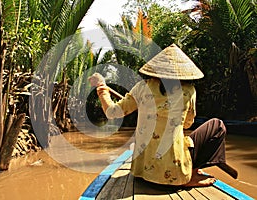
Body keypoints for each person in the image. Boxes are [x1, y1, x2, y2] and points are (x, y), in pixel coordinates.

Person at [88, 43, 237, 187]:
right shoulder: (189, 91)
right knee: (217, 125)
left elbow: (112, 112)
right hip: (175, 175)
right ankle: (189, 173)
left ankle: (186, 170)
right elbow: (187, 124)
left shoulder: (142, 87)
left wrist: (102, 89)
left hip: (142, 174)